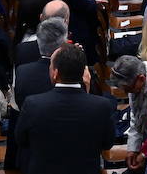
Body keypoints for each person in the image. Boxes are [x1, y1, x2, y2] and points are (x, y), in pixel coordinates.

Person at [15, 42, 115, 174]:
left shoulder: (33, 105)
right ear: (83, 73)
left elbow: (21, 140)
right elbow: (107, 143)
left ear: (55, 73)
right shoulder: (102, 106)